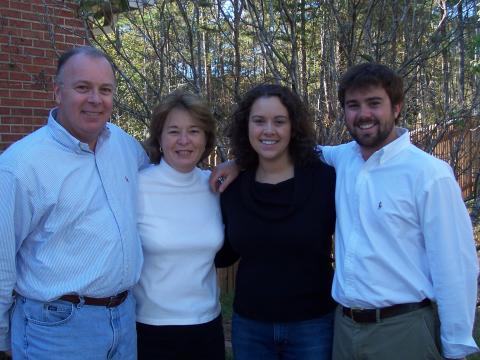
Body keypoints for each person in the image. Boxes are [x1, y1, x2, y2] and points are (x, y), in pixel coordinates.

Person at [321, 63, 479, 360]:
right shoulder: (343, 159)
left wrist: (455, 345)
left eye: (374, 103)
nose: (363, 114)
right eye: (353, 105)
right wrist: (238, 163)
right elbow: (299, 150)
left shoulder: (429, 174)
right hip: (343, 332)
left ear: (396, 107)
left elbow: (454, 265)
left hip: (403, 332)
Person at [0, 46, 149, 359]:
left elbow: (168, 173)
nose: (96, 99)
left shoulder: (125, 147)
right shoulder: (21, 166)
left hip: (123, 320)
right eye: (83, 88)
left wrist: (233, 167)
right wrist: (2, 340)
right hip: (55, 330)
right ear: (58, 92)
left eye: (105, 90)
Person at [215, 84, 337, 360]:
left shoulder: (325, 181)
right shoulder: (233, 187)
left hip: (313, 325)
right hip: (250, 326)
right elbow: (224, 254)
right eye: (259, 121)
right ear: (246, 127)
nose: (268, 130)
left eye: (279, 121)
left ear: (293, 127)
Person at [134, 90, 225, 360]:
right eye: (174, 131)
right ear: (160, 138)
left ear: (206, 138)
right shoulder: (137, 186)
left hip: (207, 326)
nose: (184, 141)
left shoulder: (214, 186)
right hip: (151, 328)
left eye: (194, 131)